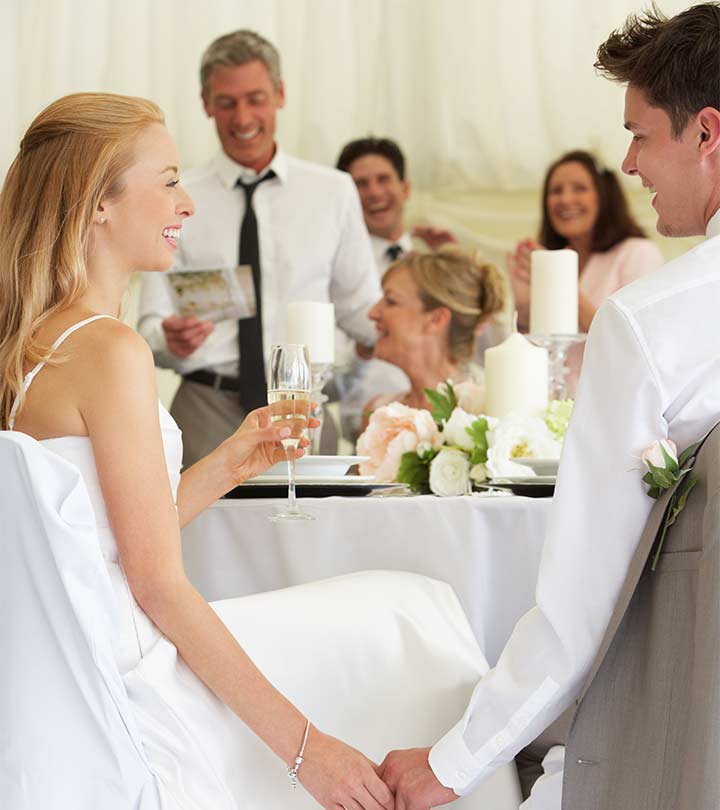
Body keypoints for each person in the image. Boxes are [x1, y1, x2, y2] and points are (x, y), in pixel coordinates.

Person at [0, 91, 394, 810]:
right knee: (406, 617)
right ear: (98, 204)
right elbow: (158, 587)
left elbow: (93, 545)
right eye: (170, 179)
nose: (187, 204)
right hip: (119, 671)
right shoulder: (111, 350)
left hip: (53, 666)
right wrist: (309, 751)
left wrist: (229, 465)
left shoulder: (30, 347)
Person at [378, 3, 720, 808]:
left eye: (640, 134)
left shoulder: (650, 322)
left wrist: (453, 761)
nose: (629, 164)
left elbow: (582, 599)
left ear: (707, 133)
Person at [137, 30, 380, 467]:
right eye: (227, 102)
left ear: (280, 94)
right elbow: (151, 330)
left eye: (255, 98)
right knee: (197, 534)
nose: (242, 116)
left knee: (307, 529)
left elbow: (361, 308)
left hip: (301, 411)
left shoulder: (333, 192)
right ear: (206, 103)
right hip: (206, 408)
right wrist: (171, 340)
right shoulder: (175, 194)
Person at [508, 149, 663, 393]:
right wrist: (525, 307)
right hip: (555, 404)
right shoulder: (552, 259)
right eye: (556, 190)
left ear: (603, 196)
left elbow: (637, 344)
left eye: (579, 188)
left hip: (612, 403)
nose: (565, 199)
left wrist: (558, 287)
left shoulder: (637, 253)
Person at [359, 247, 505, 427]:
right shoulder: (378, 416)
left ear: (436, 319)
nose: (372, 313)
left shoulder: (489, 415)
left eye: (391, 301)